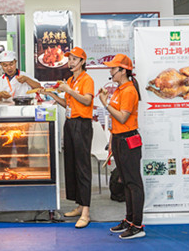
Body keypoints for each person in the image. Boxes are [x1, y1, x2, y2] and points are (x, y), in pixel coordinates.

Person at [98, 54, 145, 240]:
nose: (111, 72)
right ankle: (129, 219)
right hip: (118, 139)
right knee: (125, 181)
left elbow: (123, 117)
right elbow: (115, 120)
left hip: (128, 140)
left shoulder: (129, 91)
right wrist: (112, 141)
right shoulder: (119, 90)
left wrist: (105, 103)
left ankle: (137, 225)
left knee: (134, 183)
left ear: (123, 71)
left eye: (113, 68)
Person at [46, 47, 94, 228]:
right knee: (71, 165)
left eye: (74, 59)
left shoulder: (87, 79)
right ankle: (79, 205)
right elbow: (68, 103)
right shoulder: (71, 80)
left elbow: (87, 100)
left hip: (82, 125)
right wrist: (51, 95)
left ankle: (86, 211)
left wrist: (68, 89)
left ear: (82, 61)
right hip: (70, 123)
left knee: (83, 167)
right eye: (69, 59)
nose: (71, 62)